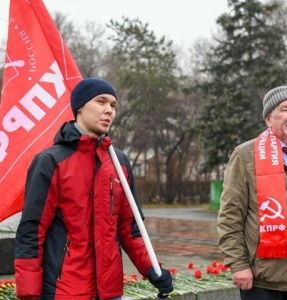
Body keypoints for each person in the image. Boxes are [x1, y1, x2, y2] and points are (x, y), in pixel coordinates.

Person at [14, 78, 173, 300]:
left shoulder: (120, 162)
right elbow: (32, 230)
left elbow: (130, 228)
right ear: (79, 106)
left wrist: (152, 269)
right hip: (64, 290)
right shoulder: (50, 161)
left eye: (113, 105)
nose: (109, 110)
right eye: (101, 102)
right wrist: (29, 292)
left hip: (109, 291)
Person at [217, 86, 287, 300]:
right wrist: (238, 265)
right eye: (285, 109)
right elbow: (230, 217)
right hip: (264, 279)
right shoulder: (246, 155)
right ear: (268, 119)